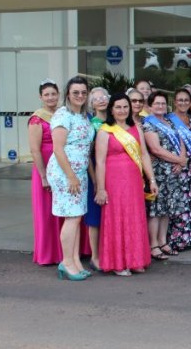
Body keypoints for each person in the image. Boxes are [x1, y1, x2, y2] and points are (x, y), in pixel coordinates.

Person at [94, 93, 156, 276]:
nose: (122, 110)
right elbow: (100, 162)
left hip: (134, 181)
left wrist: (151, 180)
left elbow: (144, 155)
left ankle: (136, 260)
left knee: (135, 217)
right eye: (118, 107)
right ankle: (119, 263)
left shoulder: (137, 128)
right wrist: (101, 188)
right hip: (113, 182)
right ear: (111, 110)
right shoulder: (105, 131)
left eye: (125, 107)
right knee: (117, 219)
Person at [46, 76, 94, 281]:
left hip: (79, 172)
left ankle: (74, 260)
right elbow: (58, 148)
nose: (80, 96)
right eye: (76, 92)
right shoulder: (62, 114)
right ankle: (66, 263)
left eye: (84, 92)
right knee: (72, 217)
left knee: (76, 217)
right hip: (65, 172)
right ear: (68, 94)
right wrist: (71, 176)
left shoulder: (83, 116)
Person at [143, 92, 189, 258]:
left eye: (163, 103)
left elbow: (181, 140)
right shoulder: (148, 124)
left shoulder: (170, 121)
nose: (160, 106)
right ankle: (153, 244)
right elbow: (156, 149)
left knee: (167, 208)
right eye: (157, 103)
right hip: (159, 171)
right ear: (149, 106)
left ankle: (163, 241)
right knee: (156, 209)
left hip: (173, 171)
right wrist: (179, 160)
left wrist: (180, 161)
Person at [29, 79, 64, 265]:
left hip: (63, 166)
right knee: (47, 212)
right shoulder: (36, 118)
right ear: (41, 97)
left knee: (64, 210)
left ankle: (65, 250)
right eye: (46, 95)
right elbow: (34, 150)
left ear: (58, 95)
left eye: (53, 94)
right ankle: (49, 254)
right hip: (45, 169)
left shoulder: (62, 114)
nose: (51, 98)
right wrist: (43, 176)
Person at [167, 89, 191, 249]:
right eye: (180, 100)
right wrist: (176, 161)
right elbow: (168, 143)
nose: (183, 103)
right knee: (179, 203)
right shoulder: (168, 120)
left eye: (185, 100)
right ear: (175, 102)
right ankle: (179, 240)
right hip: (177, 165)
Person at [84, 86, 109, 271]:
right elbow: (88, 156)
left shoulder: (115, 121)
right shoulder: (90, 125)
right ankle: (95, 256)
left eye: (104, 97)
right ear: (91, 103)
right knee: (95, 217)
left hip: (115, 173)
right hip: (95, 173)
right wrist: (95, 181)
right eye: (96, 98)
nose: (101, 100)